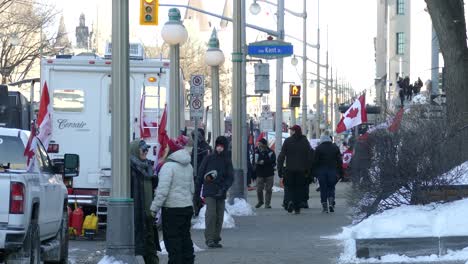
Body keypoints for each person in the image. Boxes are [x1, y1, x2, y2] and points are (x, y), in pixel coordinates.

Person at [150, 139, 195, 264]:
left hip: (172, 210)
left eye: (165, 149)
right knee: (185, 238)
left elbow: (162, 192)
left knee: (173, 243)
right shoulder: (189, 166)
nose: (163, 151)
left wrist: (154, 209)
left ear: (170, 151)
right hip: (186, 207)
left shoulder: (168, 167)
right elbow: (192, 189)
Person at [195, 136, 234, 248]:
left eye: (222, 146)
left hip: (221, 191)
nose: (219, 148)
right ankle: (210, 238)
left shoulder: (227, 160)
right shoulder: (209, 158)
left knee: (219, 216)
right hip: (209, 190)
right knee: (211, 214)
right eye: (218, 145)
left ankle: (216, 237)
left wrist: (224, 188)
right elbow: (201, 174)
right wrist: (197, 194)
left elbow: (230, 177)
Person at [130, 139, 160, 263]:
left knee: (150, 247)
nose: (146, 152)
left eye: (147, 149)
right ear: (136, 151)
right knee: (139, 247)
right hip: (137, 214)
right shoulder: (130, 169)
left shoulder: (148, 167)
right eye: (143, 149)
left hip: (148, 215)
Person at [277, 125, 314, 214]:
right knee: (299, 188)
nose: (290, 132)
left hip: (289, 169)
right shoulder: (305, 142)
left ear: (295, 131)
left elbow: (281, 156)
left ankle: (290, 201)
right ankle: (297, 207)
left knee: (289, 187)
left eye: (292, 130)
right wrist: (308, 170)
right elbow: (309, 157)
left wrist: (280, 168)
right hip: (301, 170)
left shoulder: (288, 141)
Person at [313, 135, 343, 213]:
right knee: (331, 187)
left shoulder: (318, 148)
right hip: (332, 170)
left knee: (323, 189)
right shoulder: (335, 148)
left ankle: (325, 206)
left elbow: (315, 162)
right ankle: (331, 203)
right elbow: (339, 161)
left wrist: (315, 173)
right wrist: (340, 172)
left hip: (321, 171)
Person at [254, 138, 276, 209]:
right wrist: (257, 163)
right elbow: (254, 161)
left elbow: (273, 161)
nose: (259, 145)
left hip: (269, 173)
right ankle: (260, 201)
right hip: (260, 173)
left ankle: (267, 204)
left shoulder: (270, 152)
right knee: (259, 189)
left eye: (260, 144)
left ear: (264, 144)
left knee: (268, 189)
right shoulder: (256, 151)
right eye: (258, 144)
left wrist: (264, 162)